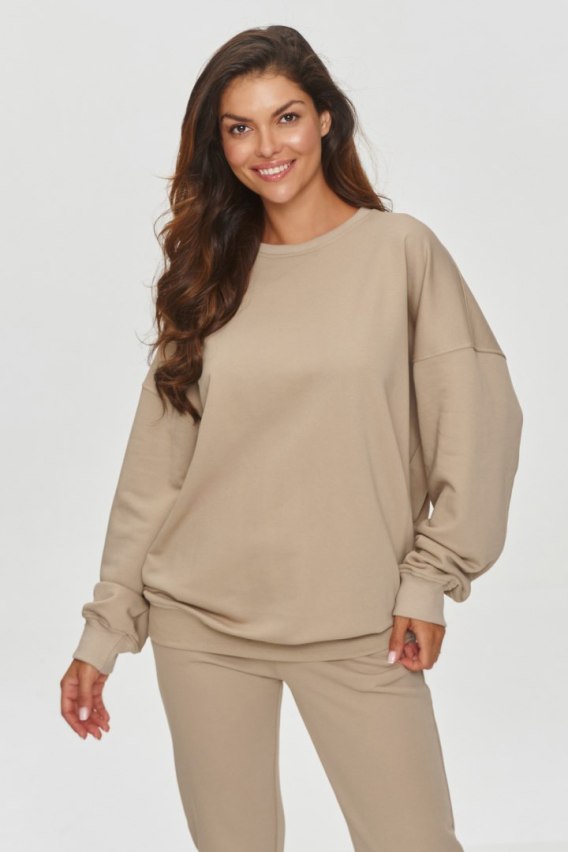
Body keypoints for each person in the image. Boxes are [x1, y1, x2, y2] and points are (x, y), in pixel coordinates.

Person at [60, 24, 523, 852]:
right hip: (201, 624)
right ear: (220, 144)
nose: (267, 147)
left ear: (325, 120)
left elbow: (479, 425)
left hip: (359, 622)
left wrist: (429, 582)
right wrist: (105, 631)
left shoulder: (401, 253)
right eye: (240, 127)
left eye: (286, 117)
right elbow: (157, 473)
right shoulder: (209, 274)